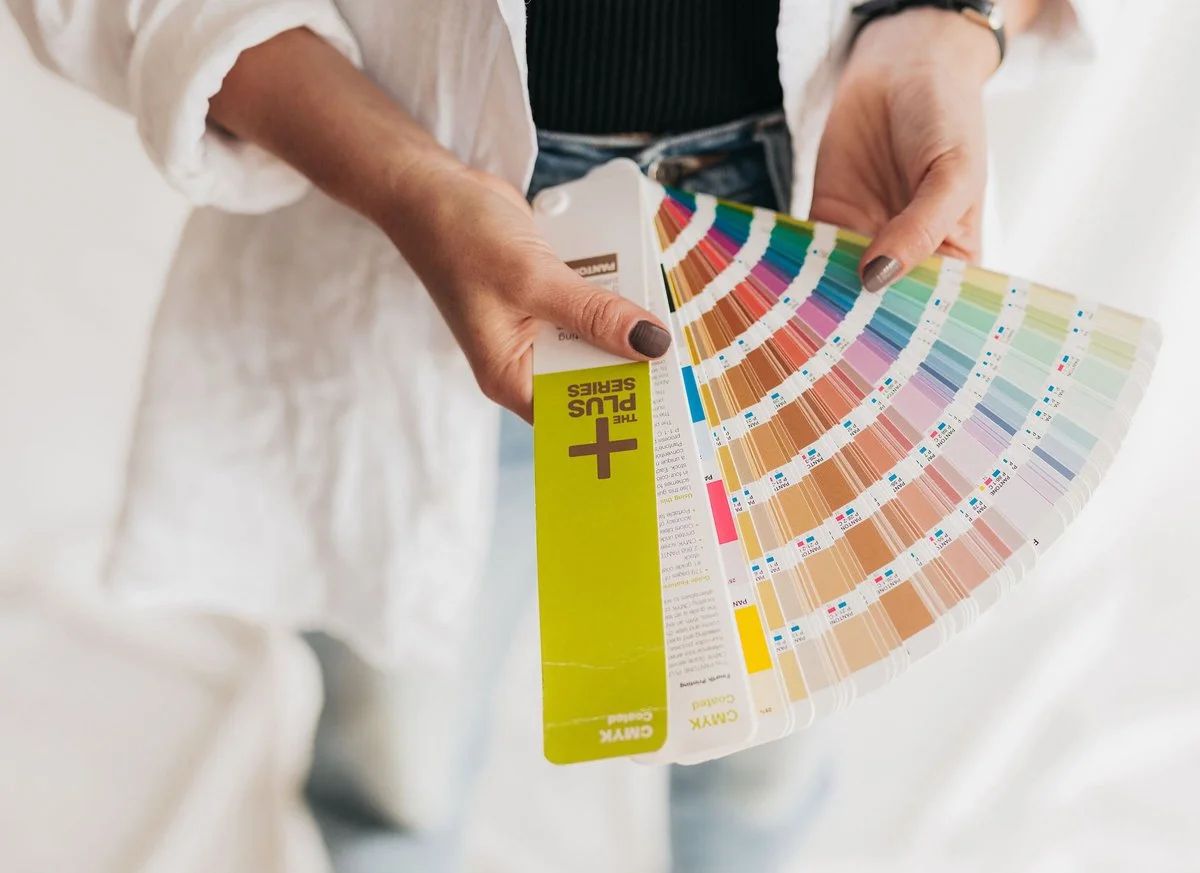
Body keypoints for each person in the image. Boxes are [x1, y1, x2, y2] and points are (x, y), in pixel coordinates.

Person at [7, 0, 1091, 870]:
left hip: (812, 218)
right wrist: (407, 184)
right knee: (397, 756)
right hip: (403, 227)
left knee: (766, 754)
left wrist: (944, 28)